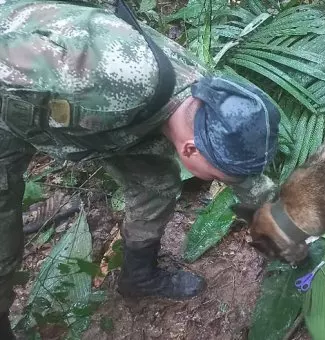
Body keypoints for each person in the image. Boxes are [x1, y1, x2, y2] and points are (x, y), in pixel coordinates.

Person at [0, 0, 281, 338]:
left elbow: (242, 173)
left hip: (110, 124)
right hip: (12, 103)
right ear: (189, 149)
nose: (222, 182)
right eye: (219, 177)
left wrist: (286, 222)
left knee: (156, 185)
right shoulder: (104, 77)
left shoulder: (206, 100)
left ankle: (138, 277)